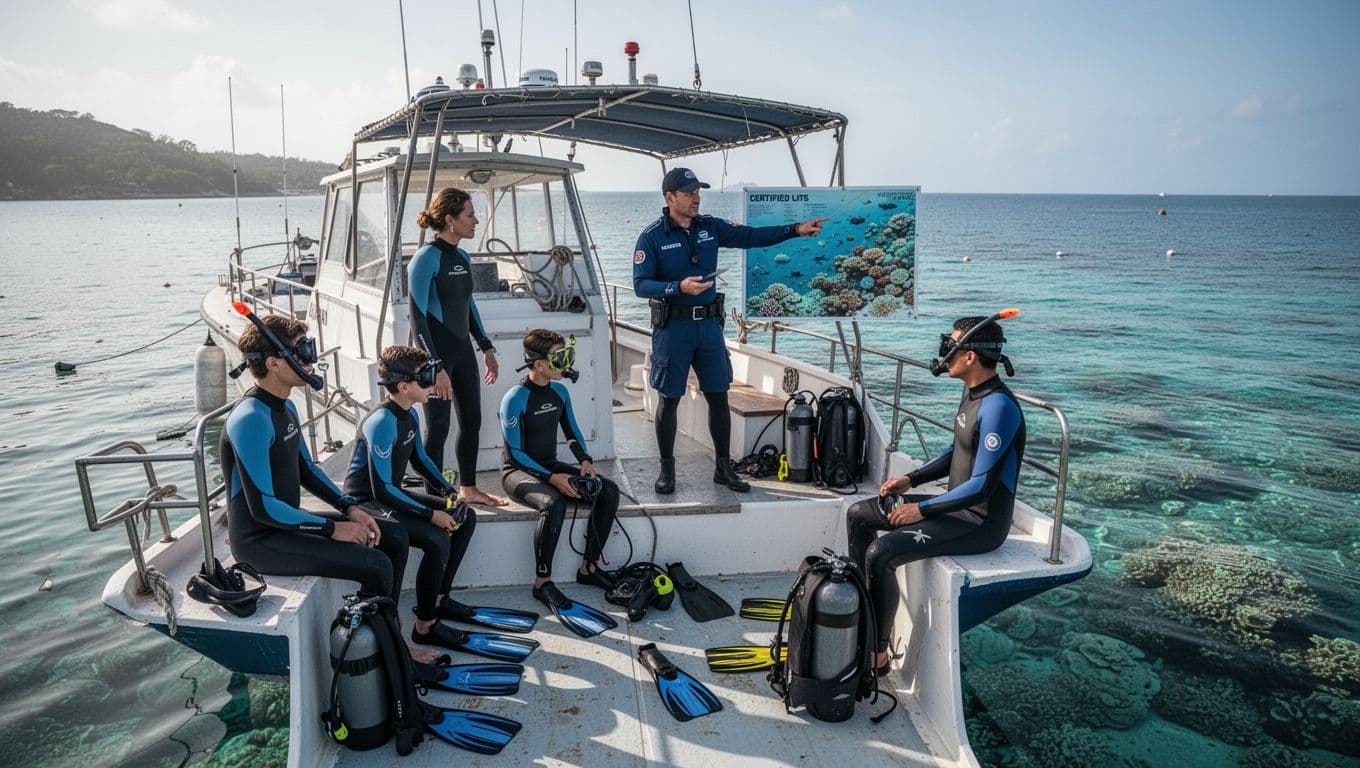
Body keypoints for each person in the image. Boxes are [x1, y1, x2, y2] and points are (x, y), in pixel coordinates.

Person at [845, 316, 1026, 671]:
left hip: (979, 522)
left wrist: (922, 510)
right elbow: (956, 451)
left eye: (951, 345)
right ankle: (860, 611)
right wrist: (911, 479)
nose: (945, 353)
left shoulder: (1000, 407)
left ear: (970, 356)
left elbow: (982, 486)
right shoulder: (973, 393)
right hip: (951, 508)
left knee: (882, 553)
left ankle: (877, 656)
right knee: (859, 515)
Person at [633, 167, 828, 495]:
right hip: (674, 328)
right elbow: (640, 285)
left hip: (709, 327)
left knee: (718, 397)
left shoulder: (711, 227)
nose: (696, 197)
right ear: (669, 198)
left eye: (698, 191)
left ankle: (723, 468)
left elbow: (752, 236)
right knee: (669, 399)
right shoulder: (651, 237)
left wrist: (796, 229)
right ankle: (667, 471)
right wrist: (676, 286)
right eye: (688, 192)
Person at [221, 314, 409, 603]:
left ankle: (384, 634)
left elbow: (307, 470)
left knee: (393, 537)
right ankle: (381, 645)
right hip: (259, 541)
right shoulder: (251, 418)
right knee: (376, 564)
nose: (311, 359)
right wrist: (333, 529)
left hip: (285, 526)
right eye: (303, 351)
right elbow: (263, 509)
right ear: (273, 363)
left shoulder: (285, 408)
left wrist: (350, 509)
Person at [342, 344, 481, 648]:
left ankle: (438, 600)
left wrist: (449, 493)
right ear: (404, 387)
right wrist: (432, 514)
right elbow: (382, 490)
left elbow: (420, 459)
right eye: (426, 379)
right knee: (436, 537)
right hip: (367, 502)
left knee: (464, 517)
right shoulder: (381, 422)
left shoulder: (409, 414)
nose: (433, 384)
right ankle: (425, 625)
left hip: (390, 494)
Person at [499, 329, 622, 630]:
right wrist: (552, 478)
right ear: (540, 364)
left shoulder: (560, 392)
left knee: (607, 490)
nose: (566, 363)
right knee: (552, 504)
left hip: (550, 464)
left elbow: (572, 433)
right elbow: (515, 453)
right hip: (517, 471)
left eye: (568, 355)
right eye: (560, 357)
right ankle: (542, 582)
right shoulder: (515, 398)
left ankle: (588, 568)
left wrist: (585, 461)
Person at [409, 187, 507, 507]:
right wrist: (435, 367)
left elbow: (468, 307)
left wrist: (486, 348)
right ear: (450, 220)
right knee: (438, 427)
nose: (476, 221)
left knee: (472, 421)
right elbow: (417, 318)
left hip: (462, 351)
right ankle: (435, 498)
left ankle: (469, 487)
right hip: (433, 357)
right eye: (470, 215)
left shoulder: (463, 257)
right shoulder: (425, 259)